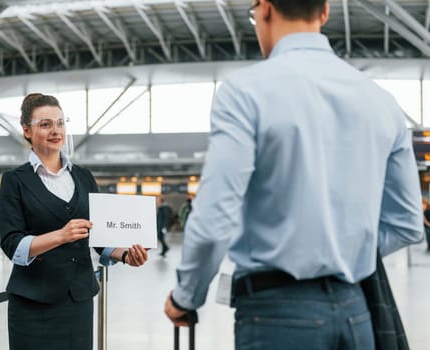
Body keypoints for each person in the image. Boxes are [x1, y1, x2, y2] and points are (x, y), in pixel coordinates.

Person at [164, 1, 423, 349]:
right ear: (325, 12)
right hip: (357, 312)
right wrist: (340, 247)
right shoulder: (381, 101)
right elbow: (407, 224)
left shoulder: (244, 93)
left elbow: (213, 220)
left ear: (266, 10)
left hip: (276, 314)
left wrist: (185, 297)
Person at [0, 93, 149, 350]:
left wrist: (125, 255)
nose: (55, 130)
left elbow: (99, 235)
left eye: (60, 123)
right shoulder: (15, 180)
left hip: (78, 300)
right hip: (33, 304)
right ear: (26, 131)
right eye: (45, 124)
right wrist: (61, 235)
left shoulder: (83, 176)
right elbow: (12, 244)